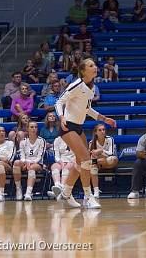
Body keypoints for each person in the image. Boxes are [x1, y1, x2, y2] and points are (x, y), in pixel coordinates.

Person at [54, 59, 116, 209]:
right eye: (90, 66)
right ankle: (88, 197)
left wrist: (104, 119)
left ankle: (66, 192)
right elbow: (59, 102)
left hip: (79, 126)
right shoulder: (76, 84)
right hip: (67, 125)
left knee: (79, 162)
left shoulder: (92, 87)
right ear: (83, 71)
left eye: (94, 65)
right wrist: (61, 117)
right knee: (87, 160)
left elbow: (87, 109)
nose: (95, 67)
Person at [12, 122, 45, 201]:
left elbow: (40, 156)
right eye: (31, 127)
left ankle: (28, 193)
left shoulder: (41, 141)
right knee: (16, 162)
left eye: (35, 127)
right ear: (27, 129)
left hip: (37, 163)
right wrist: (26, 162)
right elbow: (22, 156)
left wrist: (30, 163)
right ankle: (18, 189)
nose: (34, 129)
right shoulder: (23, 141)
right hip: (26, 162)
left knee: (32, 167)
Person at [88, 123, 118, 198]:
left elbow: (111, 153)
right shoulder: (92, 142)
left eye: (103, 130)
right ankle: (96, 190)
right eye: (100, 130)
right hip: (98, 163)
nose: (102, 131)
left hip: (108, 162)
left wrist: (101, 151)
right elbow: (91, 157)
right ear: (96, 132)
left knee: (113, 159)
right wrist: (96, 154)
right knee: (93, 167)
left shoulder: (110, 139)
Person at [0, 126, 15, 202]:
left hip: (7, 166)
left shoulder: (10, 143)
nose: (2, 133)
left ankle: (1, 193)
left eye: (3, 131)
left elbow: (9, 159)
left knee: (0, 165)